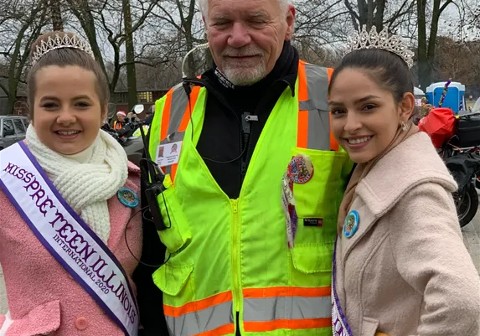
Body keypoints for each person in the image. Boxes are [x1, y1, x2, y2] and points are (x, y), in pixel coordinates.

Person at [134, 0, 353, 335]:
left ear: (289, 21)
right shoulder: (168, 114)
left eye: (255, 20)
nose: (237, 38)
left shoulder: (340, 99)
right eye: (222, 23)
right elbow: (151, 251)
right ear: (205, 25)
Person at [328, 26, 480, 336]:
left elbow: (462, 304)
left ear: (405, 107)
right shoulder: (373, 163)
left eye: (368, 107)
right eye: (338, 111)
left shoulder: (416, 190)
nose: (350, 125)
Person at [0, 31, 142, 335]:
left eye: (81, 104)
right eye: (50, 105)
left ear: (103, 110)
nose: (66, 117)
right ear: (30, 111)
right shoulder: (6, 180)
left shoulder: (133, 183)